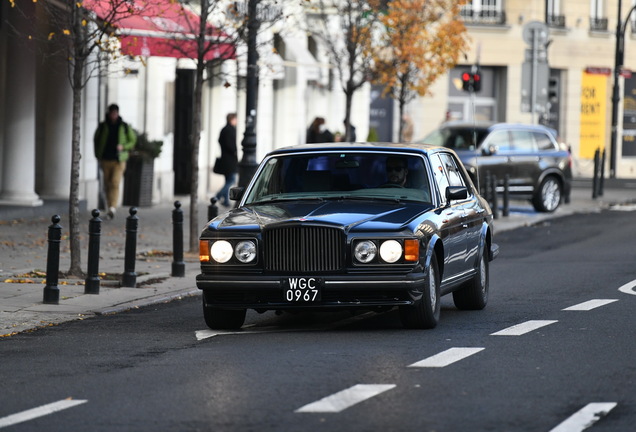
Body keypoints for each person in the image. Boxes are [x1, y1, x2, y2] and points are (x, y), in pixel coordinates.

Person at [93, 103, 137, 219]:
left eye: (115, 113)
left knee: (115, 182)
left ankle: (113, 207)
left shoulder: (124, 126)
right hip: (106, 159)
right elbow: (96, 140)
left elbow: (132, 140)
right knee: (107, 183)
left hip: (119, 160)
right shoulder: (103, 126)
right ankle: (109, 207)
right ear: (109, 113)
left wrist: (123, 147)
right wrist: (98, 155)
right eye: (112, 113)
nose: (113, 115)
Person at [214, 113, 238, 207]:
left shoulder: (224, 129)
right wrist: (234, 151)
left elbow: (220, 141)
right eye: (236, 119)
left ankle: (225, 201)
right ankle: (218, 196)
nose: (237, 121)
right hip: (230, 160)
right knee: (231, 180)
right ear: (232, 119)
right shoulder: (230, 130)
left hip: (225, 159)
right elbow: (230, 145)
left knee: (228, 179)